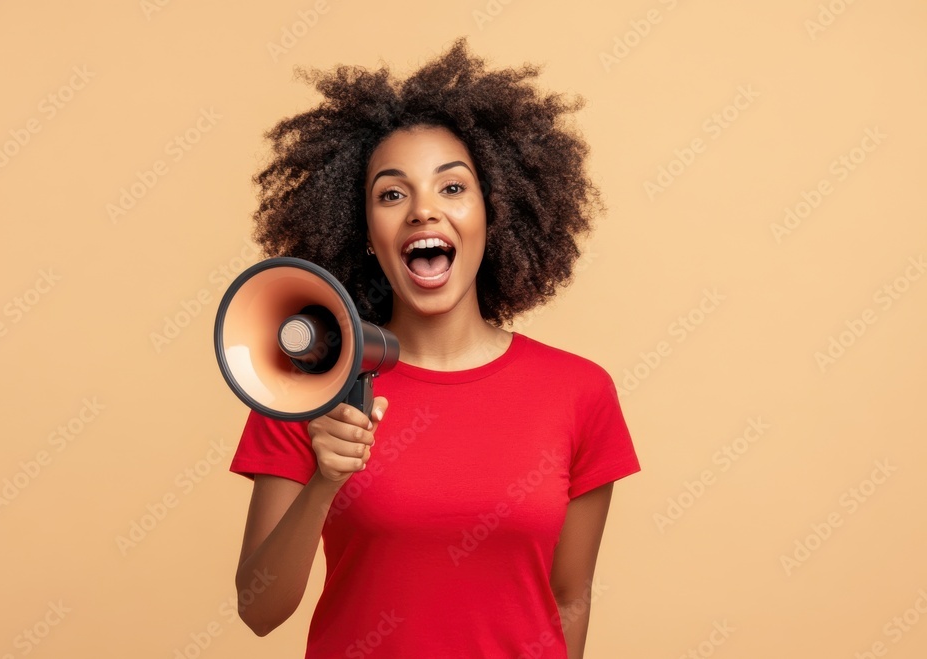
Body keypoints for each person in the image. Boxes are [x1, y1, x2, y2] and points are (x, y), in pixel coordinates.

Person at [229, 37, 641, 658]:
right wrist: (323, 481)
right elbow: (259, 611)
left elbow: (568, 600)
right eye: (392, 194)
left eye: (452, 189)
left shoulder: (580, 392)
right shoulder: (305, 384)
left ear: (491, 211)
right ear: (365, 232)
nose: (424, 211)